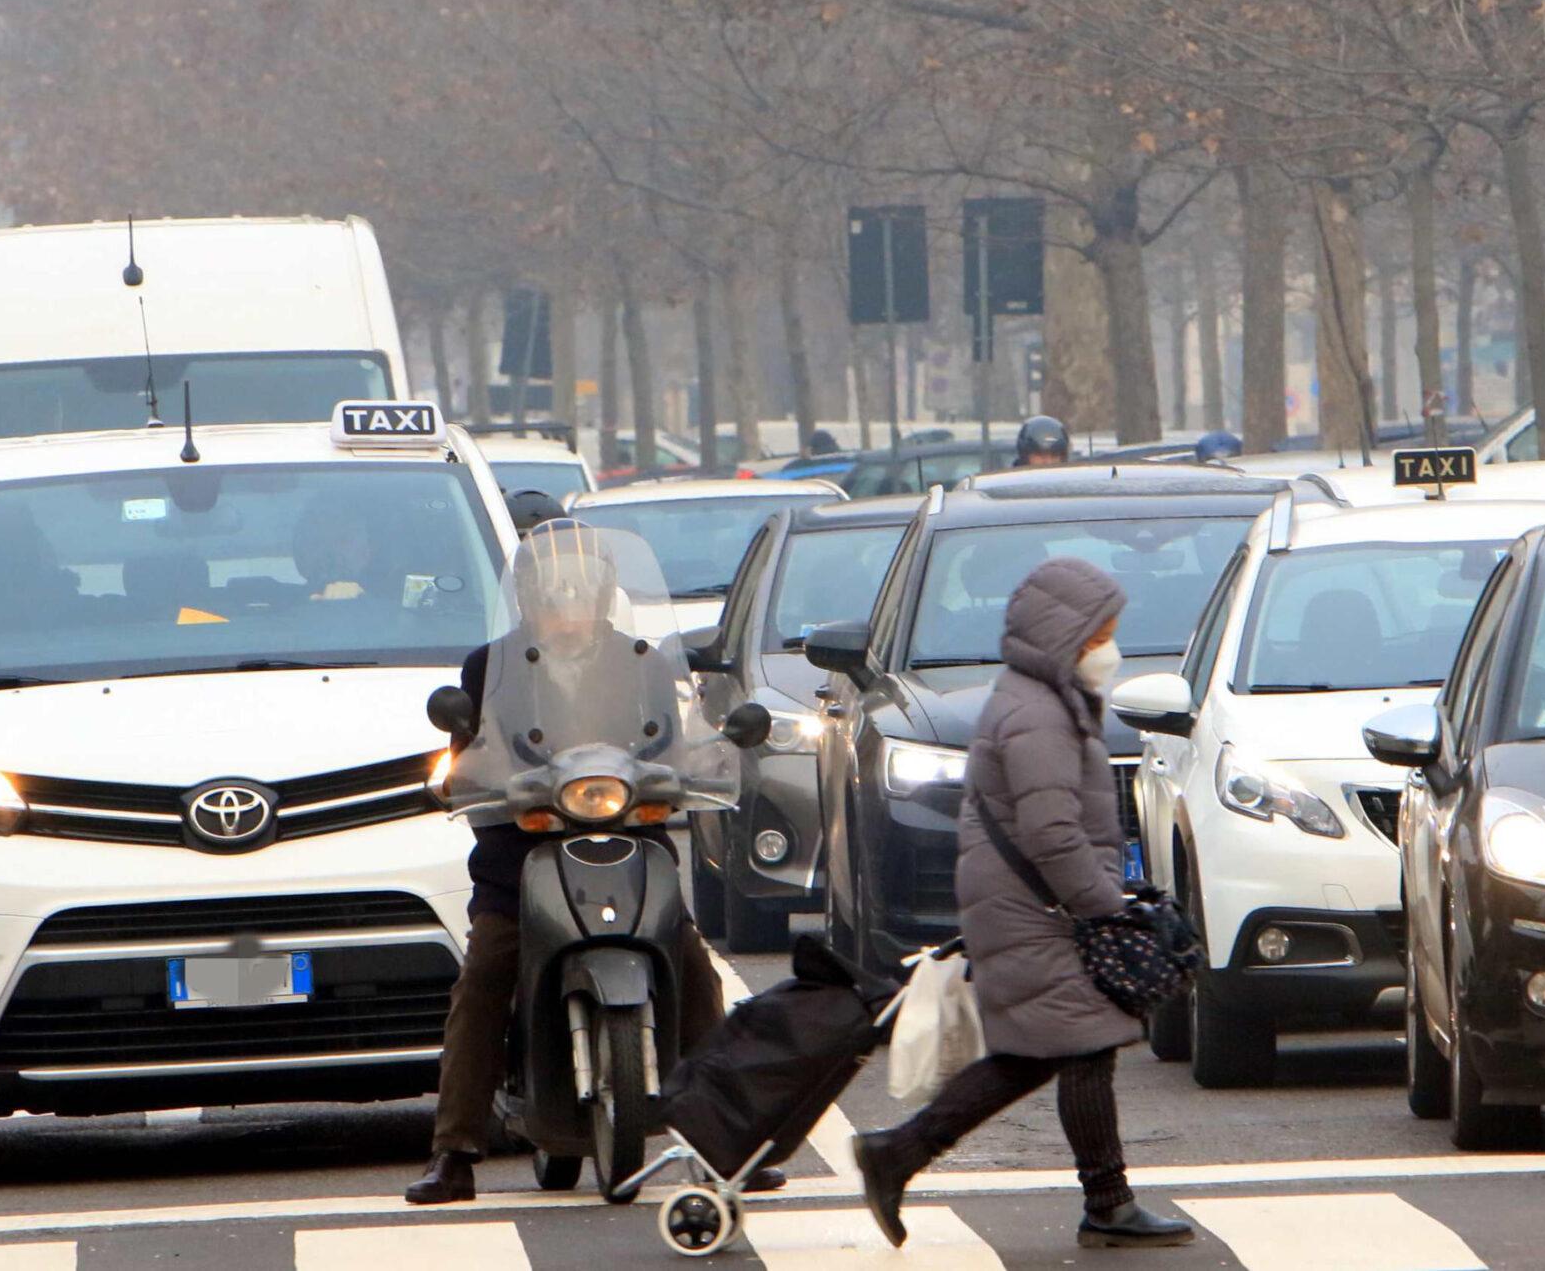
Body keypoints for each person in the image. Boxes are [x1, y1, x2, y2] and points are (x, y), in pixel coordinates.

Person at [404, 521, 784, 1204]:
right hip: (523, 851)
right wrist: (471, 775)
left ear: (605, 592)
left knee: (692, 966)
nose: (567, 605)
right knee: (487, 971)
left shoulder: (642, 660)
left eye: (580, 590)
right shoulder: (488, 665)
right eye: (553, 592)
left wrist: (702, 757)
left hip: (631, 841)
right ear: (526, 596)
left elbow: (677, 736)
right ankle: (453, 1151)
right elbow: (472, 748)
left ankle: (730, 1136)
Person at [851, 557, 1194, 1250]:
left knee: (1055, 1046)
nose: (1111, 650)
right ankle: (1100, 1198)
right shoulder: (1037, 713)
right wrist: (1105, 902)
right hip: (1033, 907)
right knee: (1075, 1041)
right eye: (1102, 635)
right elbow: (1050, 831)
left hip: (1031, 904)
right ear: (1067, 636)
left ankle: (1098, 1196)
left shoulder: (1043, 699)